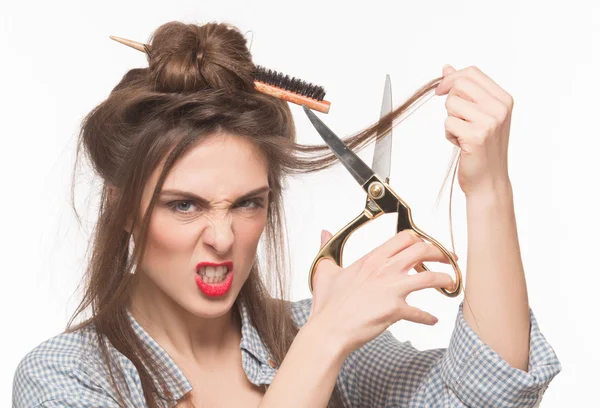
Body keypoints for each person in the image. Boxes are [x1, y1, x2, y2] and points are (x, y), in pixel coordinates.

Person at [12, 20, 561, 408]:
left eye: (249, 203)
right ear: (124, 209)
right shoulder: (64, 380)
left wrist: (488, 189)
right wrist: (320, 348)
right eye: (185, 206)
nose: (223, 238)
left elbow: (487, 398)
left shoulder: (314, 323)